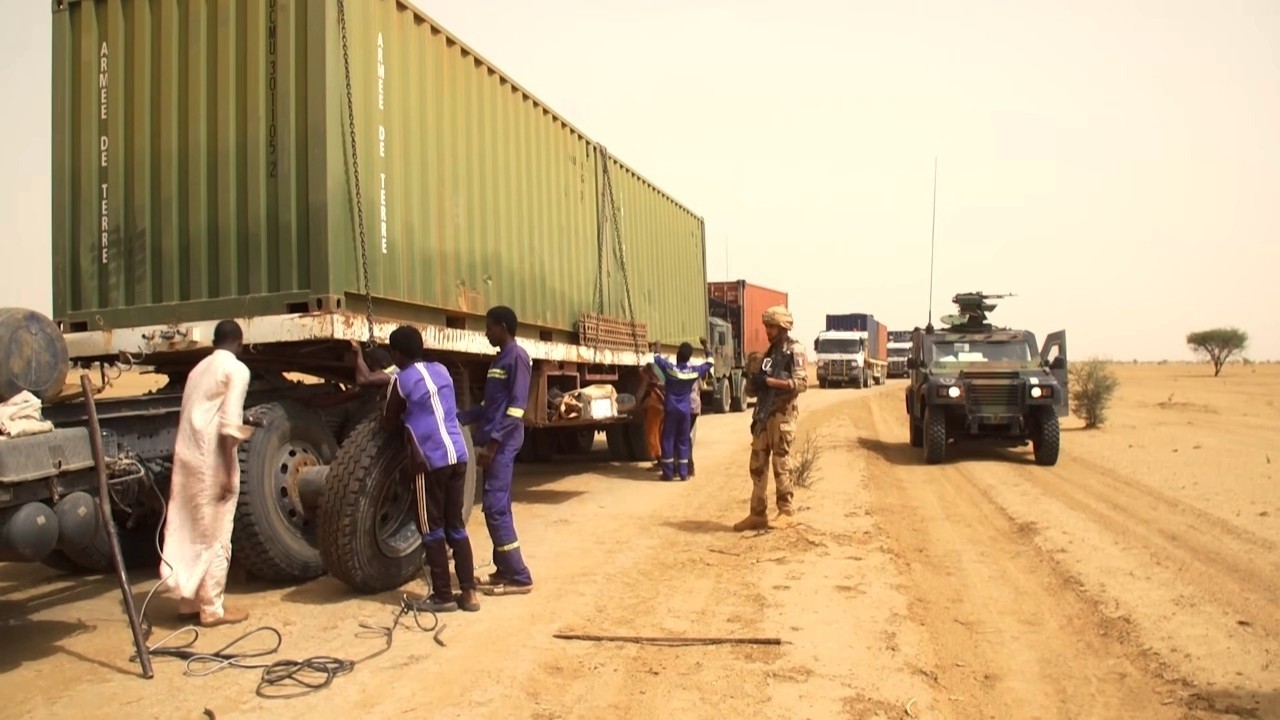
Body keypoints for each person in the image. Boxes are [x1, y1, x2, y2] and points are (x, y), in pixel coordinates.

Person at [160, 320, 256, 627]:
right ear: (239, 342)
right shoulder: (236, 369)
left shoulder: (198, 369)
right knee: (216, 533)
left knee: (191, 528)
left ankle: (187, 602)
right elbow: (229, 424)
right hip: (212, 458)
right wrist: (227, 469)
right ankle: (212, 608)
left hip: (188, 456)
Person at [381, 326, 479, 613]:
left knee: (431, 529)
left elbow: (388, 421)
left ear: (397, 353)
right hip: (458, 455)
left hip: (429, 461)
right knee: (455, 526)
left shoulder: (400, 380)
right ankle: (469, 594)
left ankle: (443, 596)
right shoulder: (442, 370)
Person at [458, 306, 534, 596]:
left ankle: (519, 576)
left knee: (495, 508)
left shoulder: (517, 357)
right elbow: (490, 406)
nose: (486, 333)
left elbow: (516, 408)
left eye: (489, 327)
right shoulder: (498, 360)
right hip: (495, 442)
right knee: (496, 507)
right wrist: (459, 417)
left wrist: (492, 445)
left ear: (503, 327)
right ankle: (504, 570)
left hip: (503, 443)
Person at [733, 306, 809, 531]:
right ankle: (757, 513)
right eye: (766, 326)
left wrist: (771, 382)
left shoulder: (795, 350)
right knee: (757, 463)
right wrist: (754, 380)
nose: (767, 330)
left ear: (783, 327)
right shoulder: (769, 353)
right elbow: (757, 387)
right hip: (764, 414)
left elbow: (801, 384)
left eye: (771, 326)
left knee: (780, 462)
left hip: (782, 415)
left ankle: (786, 511)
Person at [651, 340, 715, 482]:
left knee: (668, 439)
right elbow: (710, 362)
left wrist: (658, 346)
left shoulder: (670, 369)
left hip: (671, 410)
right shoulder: (693, 372)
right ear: (688, 358)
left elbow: (656, 358)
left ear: (678, 355)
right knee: (683, 440)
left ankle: (668, 473)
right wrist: (706, 346)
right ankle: (683, 473)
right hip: (685, 411)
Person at [638, 364, 666, 471]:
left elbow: (642, 395)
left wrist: (638, 404)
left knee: (652, 434)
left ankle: (659, 459)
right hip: (663, 408)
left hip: (655, 408)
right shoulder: (660, 379)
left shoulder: (652, 382)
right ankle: (663, 459)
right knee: (660, 434)